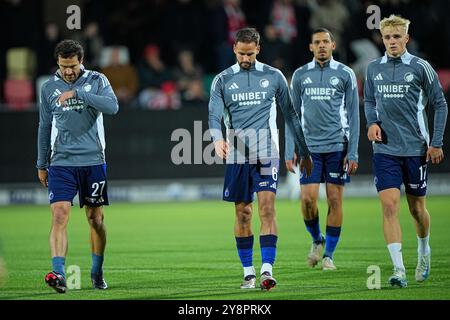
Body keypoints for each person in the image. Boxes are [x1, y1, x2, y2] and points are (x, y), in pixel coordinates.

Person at [208, 27, 312, 291]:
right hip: (238, 156)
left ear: (258, 49)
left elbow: (290, 115)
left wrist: (302, 149)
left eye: (250, 54)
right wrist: (217, 139)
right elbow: (213, 115)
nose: (245, 59)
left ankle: (267, 270)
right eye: (241, 54)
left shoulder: (273, 76)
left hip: (267, 152)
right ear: (234, 49)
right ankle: (248, 272)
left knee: (267, 209)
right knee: (243, 213)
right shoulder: (222, 80)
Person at [364, 15, 448, 287]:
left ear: (406, 38)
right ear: (382, 39)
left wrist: (436, 142)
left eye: (396, 37)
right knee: (389, 206)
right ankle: (398, 269)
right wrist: (372, 122)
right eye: (387, 37)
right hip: (385, 149)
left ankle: (424, 251)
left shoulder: (421, 67)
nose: (392, 42)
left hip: (415, 149)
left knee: (416, 209)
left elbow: (440, 104)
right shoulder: (373, 68)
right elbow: (369, 101)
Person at [36, 40, 119, 293]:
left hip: (93, 160)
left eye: (72, 66)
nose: (68, 71)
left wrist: (79, 93)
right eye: (63, 67)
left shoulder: (97, 80)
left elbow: (112, 107)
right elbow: (44, 126)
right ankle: (59, 274)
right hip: (61, 162)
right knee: (60, 213)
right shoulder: (49, 87)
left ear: (81, 61)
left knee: (95, 219)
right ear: (57, 64)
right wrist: (42, 163)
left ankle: (97, 270)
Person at [286, 28, 360, 271]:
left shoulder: (345, 74)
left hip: (337, 146)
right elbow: (291, 115)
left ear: (333, 45)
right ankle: (317, 239)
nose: (321, 46)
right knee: (307, 200)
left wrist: (354, 151)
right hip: (309, 149)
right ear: (310, 47)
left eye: (325, 42)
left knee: (335, 200)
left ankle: (328, 255)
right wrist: (291, 148)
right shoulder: (300, 75)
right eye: (316, 42)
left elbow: (354, 115)